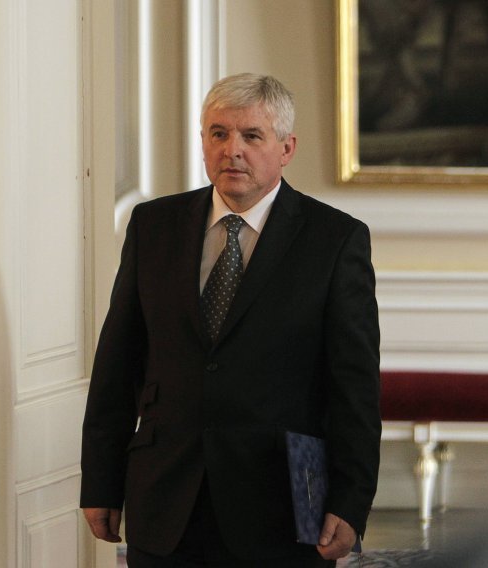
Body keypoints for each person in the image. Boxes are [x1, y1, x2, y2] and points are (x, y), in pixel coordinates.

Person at [81, 73, 380, 567]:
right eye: (218, 134)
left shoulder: (334, 240)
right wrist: (100, 481)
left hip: (282, 506)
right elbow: (117, 362)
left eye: (251, 136)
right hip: (166, 497)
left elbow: (355, 387)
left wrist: (350, 502)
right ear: (202, 141)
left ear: (286, 148)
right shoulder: (154, 226)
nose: (232, 150)